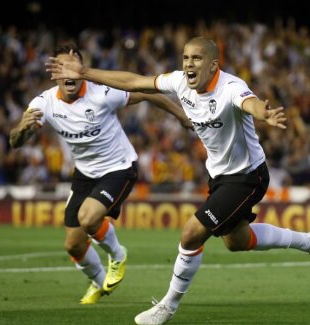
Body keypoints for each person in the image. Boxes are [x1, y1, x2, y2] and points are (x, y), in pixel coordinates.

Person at [47, 36, 310, 324]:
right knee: (237, 240)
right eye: (185, 58)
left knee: (191, 233)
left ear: (213, 65)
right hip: (220, 175)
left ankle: (167, 307)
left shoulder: (231, 87)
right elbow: (135, 82)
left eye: (196, 59)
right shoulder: (179, 82)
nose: (188, 64)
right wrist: (84, 73)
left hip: (248, 176)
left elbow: (250, 103)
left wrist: (264, 114)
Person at [10, 44, 192, 305]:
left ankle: (118, 255)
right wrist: (22, 129)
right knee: (73, 245)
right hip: (84, 174)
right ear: (55, 74)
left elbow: (146, 92)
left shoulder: (103, 93)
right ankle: (98, 283)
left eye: (74, 67)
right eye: (63, 67)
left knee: (88, 218)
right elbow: (15, 142)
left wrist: (181, 116)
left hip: (119, 167)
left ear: (82, 71)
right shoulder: (44, 103)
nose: (69, 73)